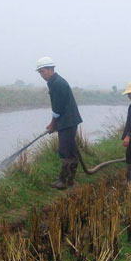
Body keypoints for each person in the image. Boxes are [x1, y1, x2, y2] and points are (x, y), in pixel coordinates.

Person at [36, 56, 83, 189]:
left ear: (51, 69)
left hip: (68, 121)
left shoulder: (58, 83)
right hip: (66, 120)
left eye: (43, 71)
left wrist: (52, 124)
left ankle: (66, 181)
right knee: (69, 150)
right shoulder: (54, 82)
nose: (41, 74)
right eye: (39, 72)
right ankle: (65, 179)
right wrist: (55, 123)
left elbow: (58, 108)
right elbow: (58, 108)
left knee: (65, 151)